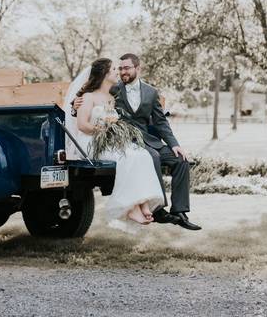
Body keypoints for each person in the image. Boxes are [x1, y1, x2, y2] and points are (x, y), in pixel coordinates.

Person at [75, 53, 200, 231]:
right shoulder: (113, 89)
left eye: (127, 68)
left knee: (180, 160)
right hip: (123, 141)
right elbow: (89, 102)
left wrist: (174, 144)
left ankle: (180, 211)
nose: (123, 72)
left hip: (148, 140)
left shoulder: (151, 92)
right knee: (152, 157)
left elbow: (160, 122)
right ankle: (158, 210)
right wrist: (74, 106)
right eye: (120, 69)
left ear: (137, 68)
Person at [70, 58, 164, 225]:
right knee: (126, 156)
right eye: (114, 69)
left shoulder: (113, 98)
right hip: (91, 143)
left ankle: (144, 203)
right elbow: (82, 125)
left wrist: (114, 131)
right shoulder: (88, 96)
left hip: (108, 140)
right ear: (104, 74)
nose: (118, 72)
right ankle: (131, 207)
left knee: (141, 154)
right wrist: (103, 130)